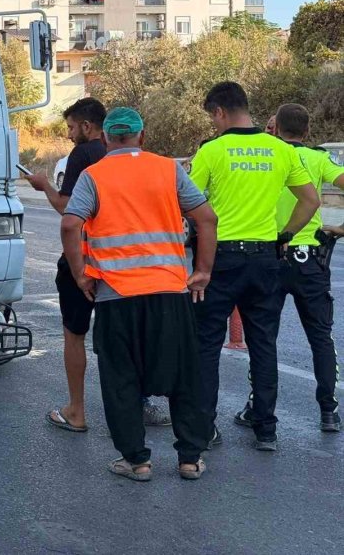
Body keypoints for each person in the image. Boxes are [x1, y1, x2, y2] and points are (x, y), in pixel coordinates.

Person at [60, 107, 218, 481]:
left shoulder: (92, 176)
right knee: (184, 375)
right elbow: (206, 218)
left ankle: (137, 461)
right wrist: (203, 271)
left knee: (121, 378)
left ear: (105, 139)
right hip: (169, 291)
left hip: (116, 295)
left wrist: (82, 274)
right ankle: (190, 459)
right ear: (141, 137)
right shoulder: (168, 169)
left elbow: (70, 224)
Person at [188, 82, 320, 451]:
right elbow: (310, 200)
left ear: (219, 112)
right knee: (263, 343)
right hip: (265, 258)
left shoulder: (213, 151)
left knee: (206, 344)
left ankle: (204, 428)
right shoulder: (280, 150)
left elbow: (188, 203)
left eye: (211, 118)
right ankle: (266, 428)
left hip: (221, 259)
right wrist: (286, 234)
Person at [27, 97, 170, 431]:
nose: (70, 135)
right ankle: (139, 404)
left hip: (85, 261)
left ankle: (76, 410)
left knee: (75, 335)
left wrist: (45, 185)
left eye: (72, 127)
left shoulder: (83, 156)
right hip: (126, 264)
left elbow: (68, 211)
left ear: (92, 129)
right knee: (128, 337)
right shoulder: (143, 163)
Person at [234, 104, 343, 433]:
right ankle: (329, 411)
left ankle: (259, 408)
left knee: (263, 337)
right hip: (309, 259)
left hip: (269, 255)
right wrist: (338, 229)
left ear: (275, 128)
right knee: (321, 337)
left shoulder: (268, 158)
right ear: (308, 132)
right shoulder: (318, 159)